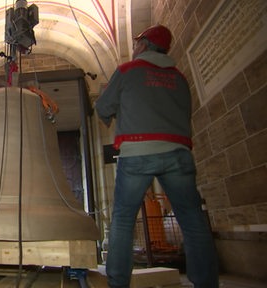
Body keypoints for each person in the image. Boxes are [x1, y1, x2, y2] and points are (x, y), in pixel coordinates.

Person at [94, 25, 219, 288]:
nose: (135, 46)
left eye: (138, 41)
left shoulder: (128, 71)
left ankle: (117, 283)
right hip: (178, 153)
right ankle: (207, 283)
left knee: (123, 220)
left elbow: (103, 106)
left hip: (138, 152)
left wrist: (116, 113)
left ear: (145, 45)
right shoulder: (180, 78)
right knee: (193, 221)